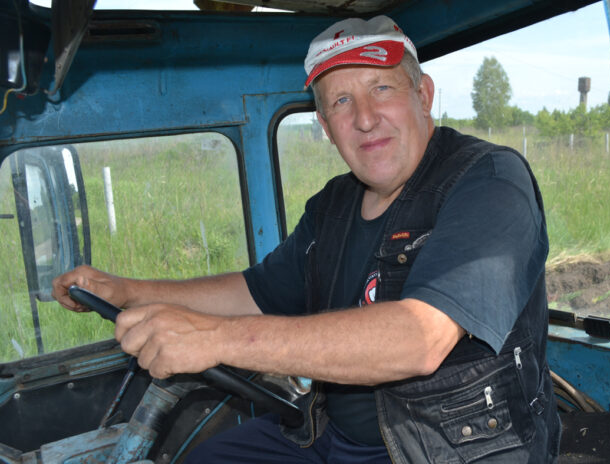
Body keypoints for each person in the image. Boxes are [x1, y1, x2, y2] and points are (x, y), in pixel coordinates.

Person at [53, 15, 560, 464]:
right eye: (342, 101)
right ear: (325, 126)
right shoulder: (333, 205)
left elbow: (420, 339)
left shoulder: (487, 180)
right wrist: (127, 291)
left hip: (443, 448)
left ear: (423, 96)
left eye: (381, 88)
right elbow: (254, 292)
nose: (365, 118)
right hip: (329, 433)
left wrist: (213, 339)